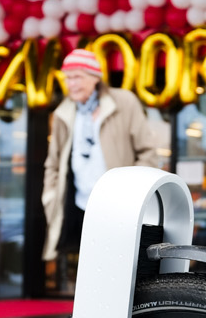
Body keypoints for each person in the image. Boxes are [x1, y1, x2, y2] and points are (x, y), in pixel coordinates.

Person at [41, 47, 163, 286]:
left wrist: (132, 192)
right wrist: (51, 196)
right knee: (88, 269)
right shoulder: (63, 113)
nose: (71, 84)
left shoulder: (124, 102)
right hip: (78, 203)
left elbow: (147, 153)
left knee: (121, 267)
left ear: (95, 77)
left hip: (117, 202)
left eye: (77, 77)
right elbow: (53, 163)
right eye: (67, 77)